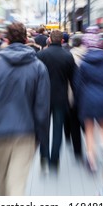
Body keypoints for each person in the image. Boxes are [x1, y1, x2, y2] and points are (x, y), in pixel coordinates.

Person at [0, 22, 50, 195]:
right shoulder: (39, 67)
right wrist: (41, 138)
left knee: (0, 180)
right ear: (26, 39)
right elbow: (42, 107)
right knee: (17, 184)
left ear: (7, 39)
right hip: (26, 132)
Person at [74, 26, 103, 172]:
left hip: (88, 99)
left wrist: (77, 102)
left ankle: (92, 161)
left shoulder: (83, 63)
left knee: (89, 130)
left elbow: (78, 85)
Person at [37, 30, 76, 172]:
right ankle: (54, 160)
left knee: (43, 127)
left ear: (49, 40)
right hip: (61, 98)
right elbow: (73, 80)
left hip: (43, 98)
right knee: (58, 129)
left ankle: (43, 155)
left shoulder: (40, 55)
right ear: (61, 41)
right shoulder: (68, 56)